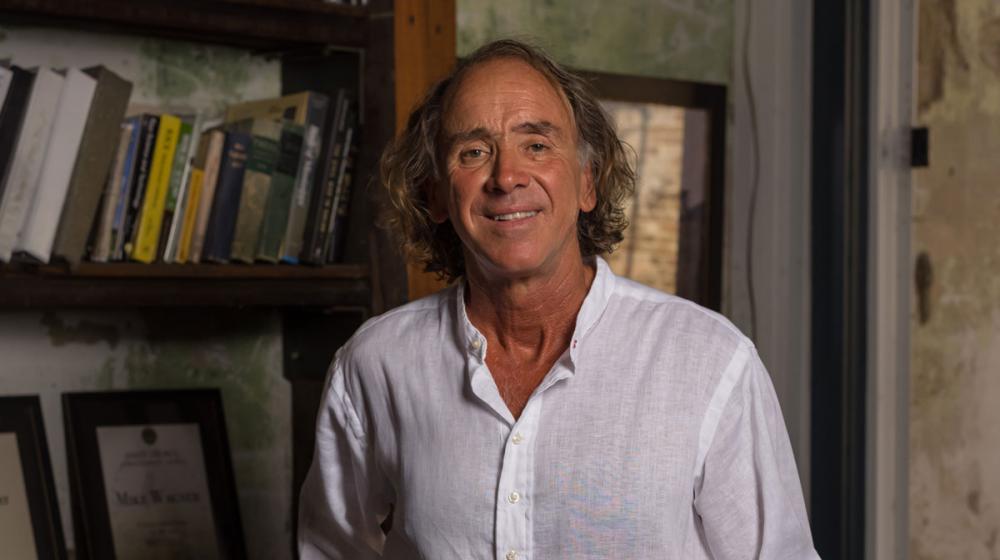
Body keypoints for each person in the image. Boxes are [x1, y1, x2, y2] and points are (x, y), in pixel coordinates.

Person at [298, 39, 820, 560]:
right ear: (435, 194)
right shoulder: (375, 364)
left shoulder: (710, 361)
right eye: (473, 152)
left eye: (538, 145)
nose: (506, 177)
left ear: (588, 182)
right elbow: (331, 550)